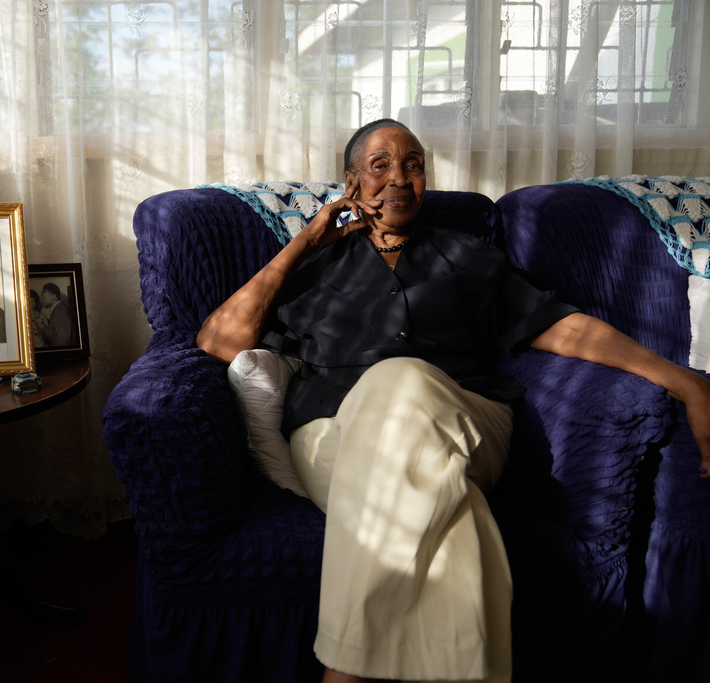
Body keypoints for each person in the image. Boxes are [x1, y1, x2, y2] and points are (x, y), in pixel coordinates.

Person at [196, 119, 710, 683]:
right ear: (351, 184)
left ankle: (348, 670)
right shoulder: (311, 267)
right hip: (332, 435)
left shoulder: (469, 257)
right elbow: (219, 342)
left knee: (404, 380)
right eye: (380, 166)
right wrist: (305, 242)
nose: (400, 178)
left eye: (413, 165)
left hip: (465, 421)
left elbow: (560, 325)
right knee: (451, 502)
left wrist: (682, 379)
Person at [37, 282, 72, 347]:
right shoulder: (59, 308)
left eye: (44, 297)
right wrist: (46, 320)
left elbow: (61, 342)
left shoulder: (60, 312)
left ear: (53, 297)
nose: (41, 301)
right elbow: (56, 326)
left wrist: (42, 327)